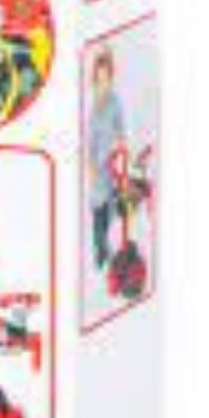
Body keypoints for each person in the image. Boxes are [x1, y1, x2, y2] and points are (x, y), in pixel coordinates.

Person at [88, 47, 127, 269]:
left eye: (106, 77)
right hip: (92, 160)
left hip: (109, 160)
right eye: (99, 77)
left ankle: (104, 248)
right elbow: (86, 136)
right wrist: (89, 165)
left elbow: (121, 129)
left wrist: (121, 147)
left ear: (111, 78)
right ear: (95, 78)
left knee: (107, 205)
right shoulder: (90, 100)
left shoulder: (114, 101)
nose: (103, 81)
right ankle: (100, 250)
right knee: (97, 206)